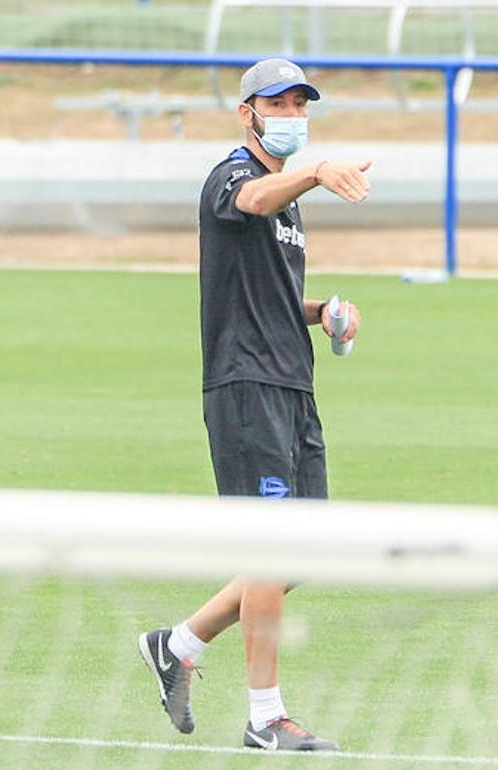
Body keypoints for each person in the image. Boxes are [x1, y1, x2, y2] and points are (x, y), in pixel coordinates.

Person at [138, 58, 369, 753]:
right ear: (248, 112)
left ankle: (177, 644)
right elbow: (253, 200)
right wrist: (316, 170)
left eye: (301, 104)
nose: (291, 114)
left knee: (302, 550)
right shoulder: (233, 178)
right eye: (279, 103)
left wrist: (322, 308)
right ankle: (265, 717)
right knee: (271, 549)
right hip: (246, 387)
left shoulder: (286, 202)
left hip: (293, 385)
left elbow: (268, 295)